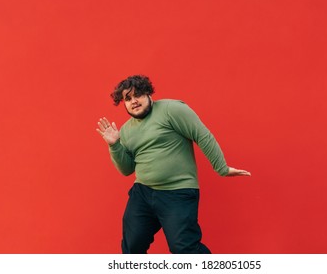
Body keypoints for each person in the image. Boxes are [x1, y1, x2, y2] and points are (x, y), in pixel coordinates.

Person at [96, 75, 251, 254]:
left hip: (177, 192)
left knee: (184, 249)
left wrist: (221, 168)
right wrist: (114, 145)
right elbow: (127, 169)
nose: (134, 101)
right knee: (132, 247)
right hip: (143, 193)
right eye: (128, 98)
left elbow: (202, 135)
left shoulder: (172, 110)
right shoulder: (126, 130)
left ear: (148, 93)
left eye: (138, 94)